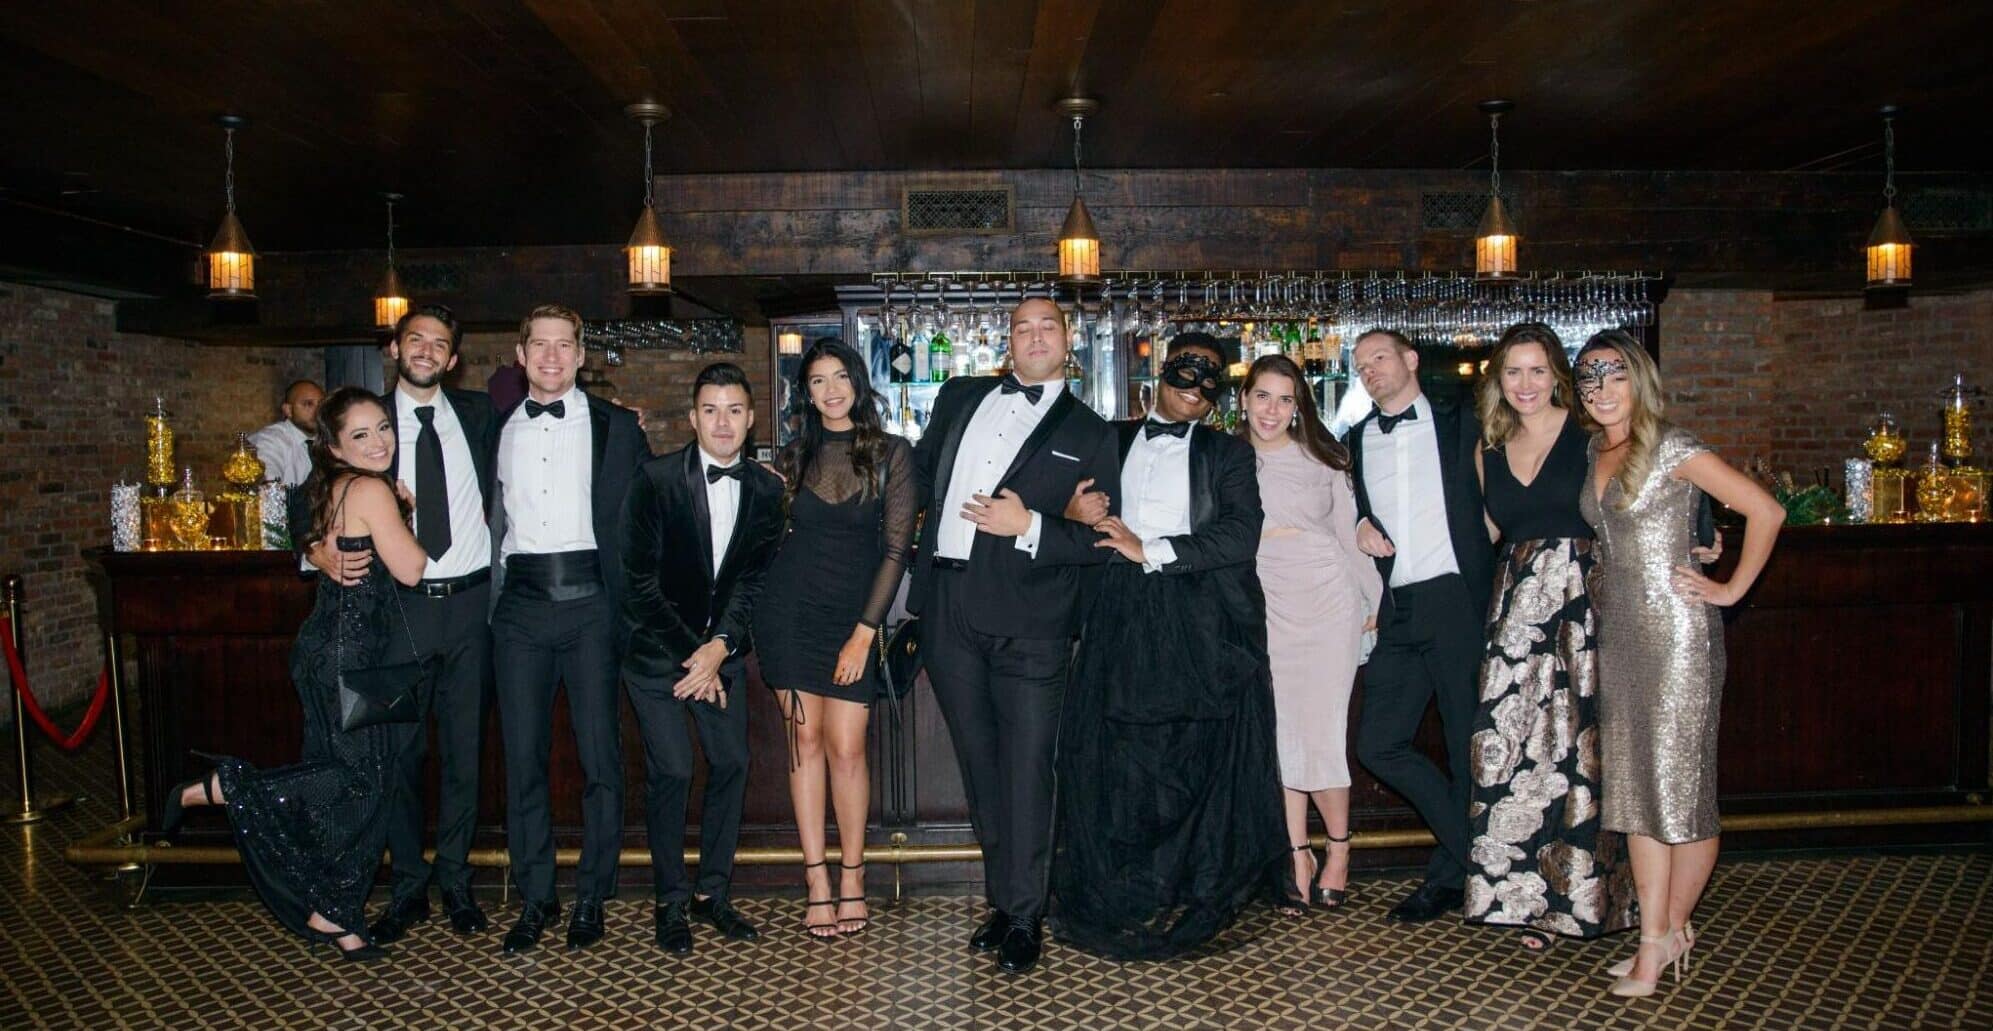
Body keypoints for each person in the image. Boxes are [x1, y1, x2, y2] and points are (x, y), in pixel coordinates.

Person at [161, 387, 427, 961]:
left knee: (357, 790)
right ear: (333, 445)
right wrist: (405, 514)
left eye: (383, 428)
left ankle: (336, 915)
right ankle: (222, 787)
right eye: (361, 434)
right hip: (349, 657)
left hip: (329, 649)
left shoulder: (333, 487)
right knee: (359, 782)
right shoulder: (371, 489)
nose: (378, 441)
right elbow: (411, 568)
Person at [1050, 334, 1287, 959]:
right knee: (1120, 748)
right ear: (1159, 370)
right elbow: (1057, 504)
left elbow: (1241, 535)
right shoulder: (1110, 438)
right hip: (1117, 609)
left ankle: (1190, 881)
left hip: (1198, 612)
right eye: (1188, 370)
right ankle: (1130, 884)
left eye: (1212, 378)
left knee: (1192, 749)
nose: (1198, 386)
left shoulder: (1228, 452)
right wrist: (1071, 510)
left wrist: (1150, 548)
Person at [910, 296, 1121, 975]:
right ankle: (1003, 902)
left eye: (1046, 327)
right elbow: (915, 473)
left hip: (1031, 622)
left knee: (1028, 769)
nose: (1033, 337)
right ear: (1007, 342)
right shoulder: (959, 396)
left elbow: (1102, 540)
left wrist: (1030, 524)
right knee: (981, 768)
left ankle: (1027, 913)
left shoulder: (1091, 431)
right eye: (1021, 328)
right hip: (947, 606)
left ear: (1067, 340)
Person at [1573, 330, 1783, 999]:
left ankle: (1659, 938)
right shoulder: (1594, 449)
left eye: (1615, 376)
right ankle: (1658, 931)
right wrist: (1703, 535)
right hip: (1619, 639)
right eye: (1589, 378)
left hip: (1677, 640)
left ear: (1639, 380)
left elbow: (1765, 509)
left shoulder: (1672, 445)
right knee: (1636, 796)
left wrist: (1730, 589)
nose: (1602, 390)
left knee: (1679, 794)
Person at [304, 305, 498, 944]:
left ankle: (457, 883)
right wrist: (313, 551)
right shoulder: (366, 424)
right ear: (394, 347)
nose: (426, 350)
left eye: (440, 343)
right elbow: (309, 503)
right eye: (416, 338)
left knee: (465, 754)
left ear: (453, 359)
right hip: (398, 613)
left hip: (471, 605)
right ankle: (409, 887)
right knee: (399, 756)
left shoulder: (481, 415)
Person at [1462, 324, 1636, 949]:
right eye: (1513, 371)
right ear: (1498, 380)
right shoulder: (1488, 448)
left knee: (1577, 752)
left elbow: (1653, 486)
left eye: (1537, 370)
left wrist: (1700, 535)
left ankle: (1578, 902)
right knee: (1510, 750)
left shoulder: (1590, 435)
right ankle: (1520, 899)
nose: (1525, 383)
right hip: (1515, 615)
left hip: (1586, 608)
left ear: (1557, 375)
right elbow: (1481, 533)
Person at [489, 304, 651, 955]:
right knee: (522, 758)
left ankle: (591, 894)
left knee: (600, 757)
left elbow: (652, 511)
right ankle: (536, 896)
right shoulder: (492, 428)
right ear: (521, 355)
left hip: (592, 603)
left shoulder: (619, 427)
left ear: (582, 355)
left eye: (564, 346)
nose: (552, 357)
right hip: (519, 607)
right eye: (540, 345)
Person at [620, 362, 784, 955]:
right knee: (672, 771)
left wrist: (720, 648)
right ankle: (670, 900)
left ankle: (712, 892)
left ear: (751, 418)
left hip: (720, 654)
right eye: (710, 410)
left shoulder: (767, 490)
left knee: (732, 763)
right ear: (692, 418)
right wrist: (697, 656)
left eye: (734, 410)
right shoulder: (655, 479)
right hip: (656, 654)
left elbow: (753, 582)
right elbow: (638, 585)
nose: (722, 422)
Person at [755, 339, 915, 939]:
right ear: (806, 392)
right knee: (804, 742)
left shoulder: (892, 453)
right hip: (789, 615)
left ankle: (853, 876)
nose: (831, 390)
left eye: (840, 376)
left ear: (858, 382)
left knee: (848, 748)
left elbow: (896, 551)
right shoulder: (793, 457)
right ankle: (816, 881)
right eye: (817, 380)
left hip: (854, 620)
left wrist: (862, 635)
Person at [1345, 328, 1495, 922]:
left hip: (1456, 601)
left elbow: (1519, 485)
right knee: (1377, 744)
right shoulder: (1356, 439)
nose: (1370, 371)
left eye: (1379, 358)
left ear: (1410, 359)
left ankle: (1450, 878)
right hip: (1398, 608)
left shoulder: (1466, 424)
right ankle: (1485, 862)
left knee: (1465, 751)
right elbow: (1353, 508)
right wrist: (1359, 521)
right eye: (1361, 366)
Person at [1236, 353, 1380, 913]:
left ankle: (1338, 848)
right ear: (1243, 399)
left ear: (1298, 408)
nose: (1271, 410)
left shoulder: (1325, 458)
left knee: (1321, 734)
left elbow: (1348, 533)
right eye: (1262, 396)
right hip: (1267, 604)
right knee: (1284, 735)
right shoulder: (1225, 458)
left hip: (1327, 601)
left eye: (1284, 400)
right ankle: (1297, 853)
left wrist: (1372, 599)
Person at [249, 379, 324, 487]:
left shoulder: (330, 440)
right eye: (308, 404)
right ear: (288, 410)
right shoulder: (270, 440)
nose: (317, 412)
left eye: (321, 405)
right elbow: (270, 486)